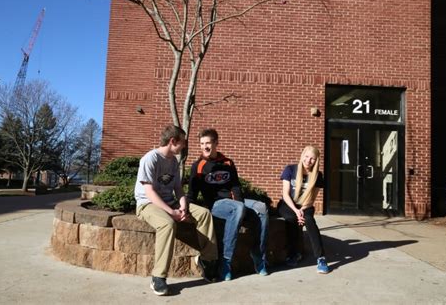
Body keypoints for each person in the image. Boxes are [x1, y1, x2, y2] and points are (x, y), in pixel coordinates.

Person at [134, 125, 218, 296]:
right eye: (183, 143)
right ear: (173, 141)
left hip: (170, 202)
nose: (184, 146)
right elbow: (149, 192)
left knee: (204, 214)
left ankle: (207, 261)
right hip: (147, 204)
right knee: (167, 224)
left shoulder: (173, 161)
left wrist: (183, 206)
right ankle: (158, 277)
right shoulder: (150, 159)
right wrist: (171, 212)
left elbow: (178, 188)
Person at [187, 128, 269, 281]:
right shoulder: (198, 166)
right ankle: (225, 262)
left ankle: (258, 256)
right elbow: (191, 193)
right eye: (201, 143)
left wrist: (240, 206)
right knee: (237, 208)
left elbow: (236, 186)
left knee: (261, 207)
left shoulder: (228, 162)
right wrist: (186, 210)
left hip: (234, 203)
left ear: (216, 143)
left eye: (208, 143)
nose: (205, 146)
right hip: (216, 205)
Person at [277, 145, 330, 274]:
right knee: (290, 219)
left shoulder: (318, 175)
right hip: (288, 204)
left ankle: (321, 258)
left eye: (312, 158)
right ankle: (293, 253)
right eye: (306, 156)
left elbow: (312, 199)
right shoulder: (290, 169)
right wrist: (296, 211)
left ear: (316, 160)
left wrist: (302, 210)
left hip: (306, 205)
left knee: (309, 220)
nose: (308, 160)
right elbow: (285, 194)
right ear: (302, 156)